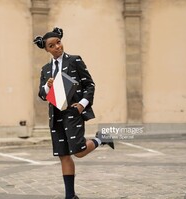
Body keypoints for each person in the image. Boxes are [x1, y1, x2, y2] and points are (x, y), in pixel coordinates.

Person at [34, 27, 114, 199]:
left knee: (78, 151)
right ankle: (70, 196)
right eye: (52, 45)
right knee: (63, 155)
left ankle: (102, 138)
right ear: (46, 49)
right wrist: (47, 86)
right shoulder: (45, 69)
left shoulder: (75, 60)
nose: (57, 47)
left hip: (73, 112)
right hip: (55, 115)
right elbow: (42, 95)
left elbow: (89, 85)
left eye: (58, 42)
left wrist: (82, 105)